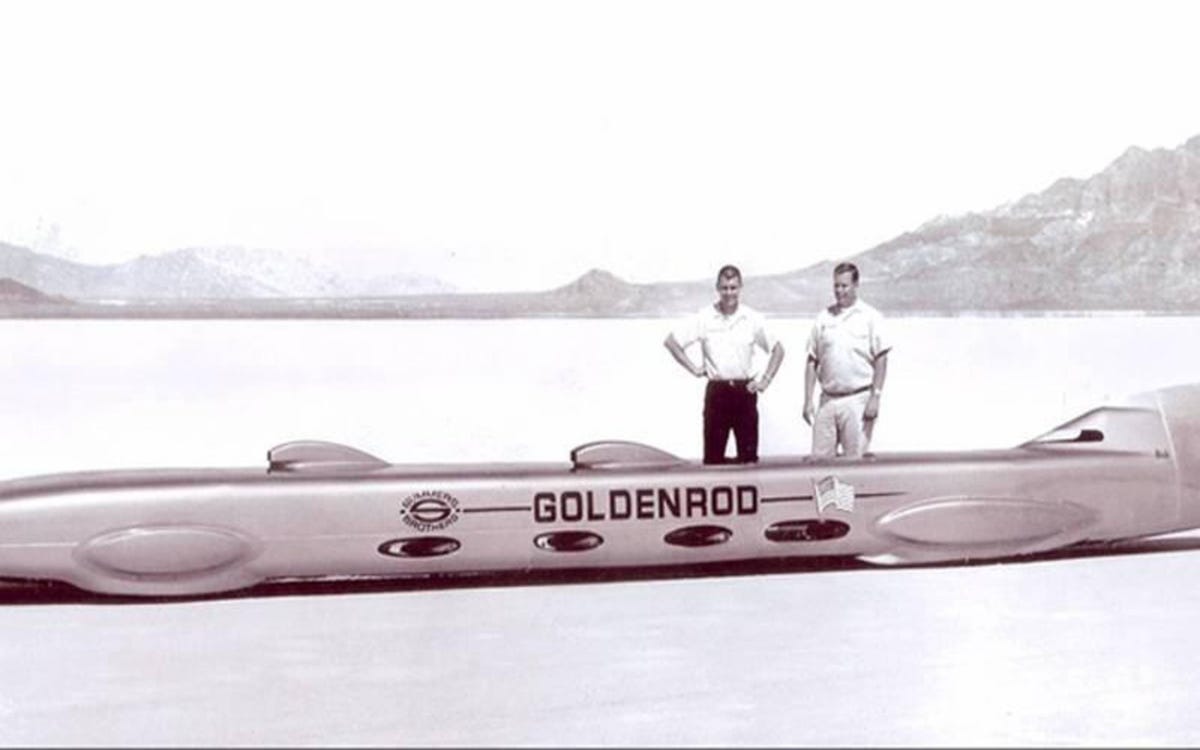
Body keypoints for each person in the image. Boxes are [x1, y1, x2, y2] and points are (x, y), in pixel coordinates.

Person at [664, 265, 785, 464]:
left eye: (733, 288)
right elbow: (671, 342)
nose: (729, 293)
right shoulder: (704, 317)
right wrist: (694, 368)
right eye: (725, 288)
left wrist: (765, 381)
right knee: (713, 459)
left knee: (748, 460)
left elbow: (778, 350)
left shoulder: (751, 318)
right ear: (717, 289)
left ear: (740, 288)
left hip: (744, 392)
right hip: (717, 394)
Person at [802, 262, 891, 458]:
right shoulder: (823, 318)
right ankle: (829, 491)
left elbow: (881, 359)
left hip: (857, 400)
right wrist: (808, 400)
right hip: (828, 400)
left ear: (856, 285)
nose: (839, 291)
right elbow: (811, 360)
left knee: (854, 464)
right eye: (836, 286)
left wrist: (875, 397)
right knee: (821, 466)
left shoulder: (870, 317)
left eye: (844, 286)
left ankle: (852, 491)